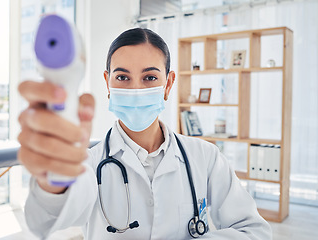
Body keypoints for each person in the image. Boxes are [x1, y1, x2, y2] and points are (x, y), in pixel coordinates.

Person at [18, 28, 272, 239]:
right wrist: (53, 180)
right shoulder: (89, 162)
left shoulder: (205, 157)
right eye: (123, 77)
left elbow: (255, 231)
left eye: (150, 77)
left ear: (168, 84)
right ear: (108, 82)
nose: (136, 89)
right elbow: (43, 221)